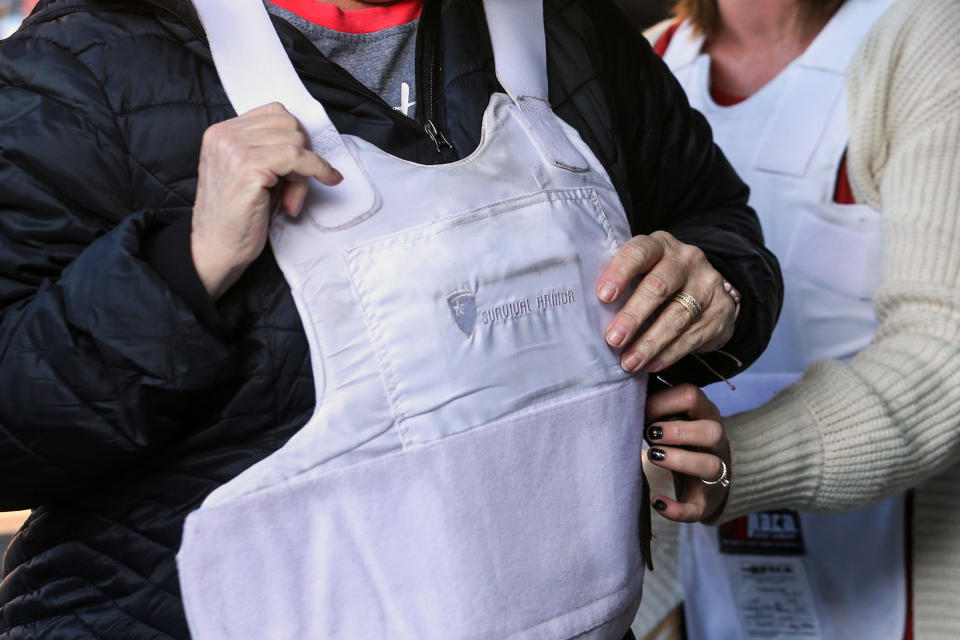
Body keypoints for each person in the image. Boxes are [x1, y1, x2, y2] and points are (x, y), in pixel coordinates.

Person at [0, 0, 781, 637]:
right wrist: (186, 266)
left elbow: (714, 223)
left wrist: (716, 297)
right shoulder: (82, 65)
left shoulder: (565, 28)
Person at [645, 0, 960, 638]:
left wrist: (738, 462)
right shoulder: (643, 62)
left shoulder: (925, 33)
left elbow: (945, 349)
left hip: (906, 585)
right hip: (709, 594)